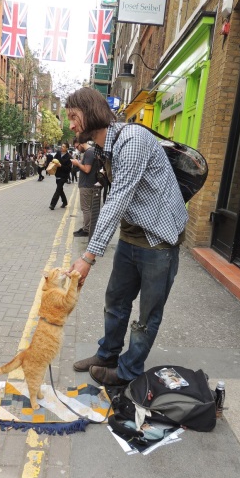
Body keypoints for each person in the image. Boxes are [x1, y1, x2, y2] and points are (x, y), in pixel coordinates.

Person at [65, 87, 188, 387]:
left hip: (159, 240)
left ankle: (128, 371)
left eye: (73, 117)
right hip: (132, 236)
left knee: (147, 315)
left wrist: (88, 257)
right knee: (116, 300)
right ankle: (107, 354)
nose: (70, 125)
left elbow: (118, 199)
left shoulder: (132, 141)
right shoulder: (106, 146)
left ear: (90, 111)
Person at [71, 141, 100, 237]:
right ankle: (86, 227)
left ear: (81, 143)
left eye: (77, 147)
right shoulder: (92, 151)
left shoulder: (89, 152)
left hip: (87, 185)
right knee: (88, 208)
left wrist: (77, 163)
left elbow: (87, 169)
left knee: (86, 208)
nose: (77, 149)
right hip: (89, 184)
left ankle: (87, 229)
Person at [49, 142, 72, 210]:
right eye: (62, 146)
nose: (62, 147)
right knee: (60, 189)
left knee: (58, 189)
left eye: (63, 146)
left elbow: (68, 169)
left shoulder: (69, 157)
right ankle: (65, 202)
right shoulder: (58, 153)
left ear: (67, 148)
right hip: (57, 174)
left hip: (64, 176)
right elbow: (53, 159)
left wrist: (61, 165)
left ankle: (52, 204)